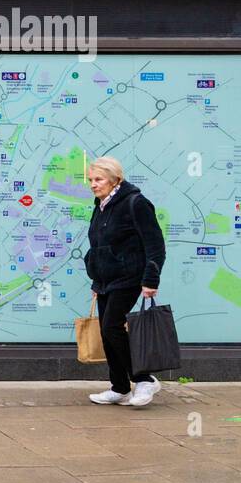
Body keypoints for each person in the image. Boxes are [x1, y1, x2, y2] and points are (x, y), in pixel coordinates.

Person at [84, 156, 166, 408]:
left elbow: (155, 245)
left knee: (111, 327)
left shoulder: (136, 203)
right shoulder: (100, 206)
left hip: (129, 278)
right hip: (105, 281)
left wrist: (151, 279)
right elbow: (98, 244)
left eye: (98, 180)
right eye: (90, 180)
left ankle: (144, 379)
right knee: (108, 334)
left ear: (115, 180)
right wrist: (96, 278)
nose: (93, 185)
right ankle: (119, 387)